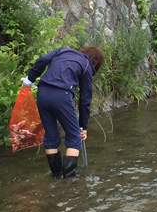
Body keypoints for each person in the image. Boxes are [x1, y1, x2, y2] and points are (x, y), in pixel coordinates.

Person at [22, 46, 104, 179]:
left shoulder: (64, 50)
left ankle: (56, 176)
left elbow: (43, 59)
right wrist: (82, 126)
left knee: (51, 137)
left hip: (42, 93)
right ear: (95, 63)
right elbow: (85, 101)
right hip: (61, 95)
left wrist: (30, 79)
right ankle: (69, 180)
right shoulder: (87, 66)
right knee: (74, 138)